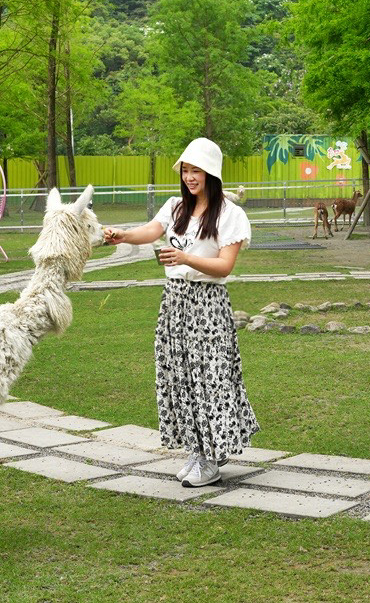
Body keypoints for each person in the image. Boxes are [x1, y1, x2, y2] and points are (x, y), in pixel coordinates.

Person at [103, 137, 260, 487]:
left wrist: (186, 258)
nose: (190, 177)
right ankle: (197, 450)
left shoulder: (231, 215)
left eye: (196, 171)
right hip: (175, 301)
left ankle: (211, 456)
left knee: (211, 377)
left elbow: (225, 267)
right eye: (186, 170)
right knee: (180, 377)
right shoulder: (176, 207)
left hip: (208, 305)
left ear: (211, 174)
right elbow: (151, 231)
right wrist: (123, 235)